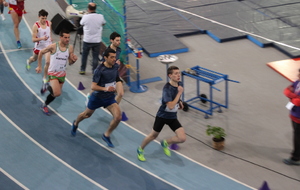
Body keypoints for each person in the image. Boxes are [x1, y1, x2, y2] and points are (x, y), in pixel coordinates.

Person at [71, 49, 122, 148]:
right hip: (97, 98)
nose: (114, 59)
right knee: (86, 115)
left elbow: (115, 78)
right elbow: (93, 87)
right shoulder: (99, 70)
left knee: (118, 117)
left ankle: (106, 135)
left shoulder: (115, 66)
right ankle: (76, 123)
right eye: (111, 57)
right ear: (105, 57)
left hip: (109, 98)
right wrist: (106, 88)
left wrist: (115, 88)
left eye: (114, 57)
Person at [137, 66, 186, 162]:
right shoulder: (167, 89)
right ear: (170, 75)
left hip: (172, 117)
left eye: (179, 73)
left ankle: (165, 143)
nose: (178, 75)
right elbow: (171, 106)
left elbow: (175, 100)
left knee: (182, 138)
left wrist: (179, 102)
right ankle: (140, 149)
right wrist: (179, 94)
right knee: (153, 136)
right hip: (162, 116)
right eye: (175, 73)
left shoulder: (180, 84)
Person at [35, 29, 77, 115]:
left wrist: (74, 60)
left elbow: (70, 63)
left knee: (55, 94)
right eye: (65, 37)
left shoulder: (70, 48)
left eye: (68, 37)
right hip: (53, 73)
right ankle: (44, 104)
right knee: (57, 93)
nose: (67, 39)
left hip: (62, 73)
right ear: (60, 37)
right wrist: (39, 66)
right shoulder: (53, 46)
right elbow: (41, 52)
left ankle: (45, 102)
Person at [86, 32, 124, 105]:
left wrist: (116, 64)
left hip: (115, 73)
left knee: (121, 93)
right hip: (106, 74)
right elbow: (103, 64)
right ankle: (89, 97)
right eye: (117, 40)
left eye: (119, 40)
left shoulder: (119, 50)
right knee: (97, 88)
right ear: (111, 40)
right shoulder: (107, 52)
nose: (119, 42)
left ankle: (113, 108)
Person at [79, 2, 106, 75]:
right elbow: (103, 23)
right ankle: (94, 70)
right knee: (95, 56)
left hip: (87, 40)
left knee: (84, 55)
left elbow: (81, 23)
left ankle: (82, 69)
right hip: (96, 40)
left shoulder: (85, 17)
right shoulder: (100, 16)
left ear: (88, 9)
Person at [283, 69, 300, 165]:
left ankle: (295, 158)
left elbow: (298, 102)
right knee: (297, 134)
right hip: (294, 114)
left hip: (299, 117)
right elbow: (286, 91)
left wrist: (292, 97)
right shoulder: (297, 82)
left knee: (297, 138)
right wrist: (294, 96)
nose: (298, 75)